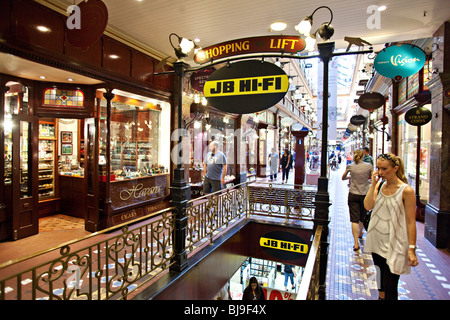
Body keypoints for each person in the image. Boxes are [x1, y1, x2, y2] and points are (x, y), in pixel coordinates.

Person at [363, 153, 418, 300]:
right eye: (378, 168)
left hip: (396, 241)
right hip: (377, 239)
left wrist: (412, 248)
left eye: (384, 169)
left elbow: (411, 221)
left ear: (395, 168)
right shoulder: (380, 185)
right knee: (380, 281)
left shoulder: (406, 191)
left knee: (391, 284)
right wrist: (373, 184)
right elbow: (368, 205)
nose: (380, 172)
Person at [342, 149, 373, 251]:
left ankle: (356, 243)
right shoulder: (369, 166)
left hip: (353, 194)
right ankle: (360, 233)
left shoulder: (351, 166)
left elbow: (343, 177)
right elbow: (373, 179)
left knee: (354, 218)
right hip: (364, 194)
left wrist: (351, 177)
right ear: (363, 156)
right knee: (362, 215)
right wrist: (367, 181)